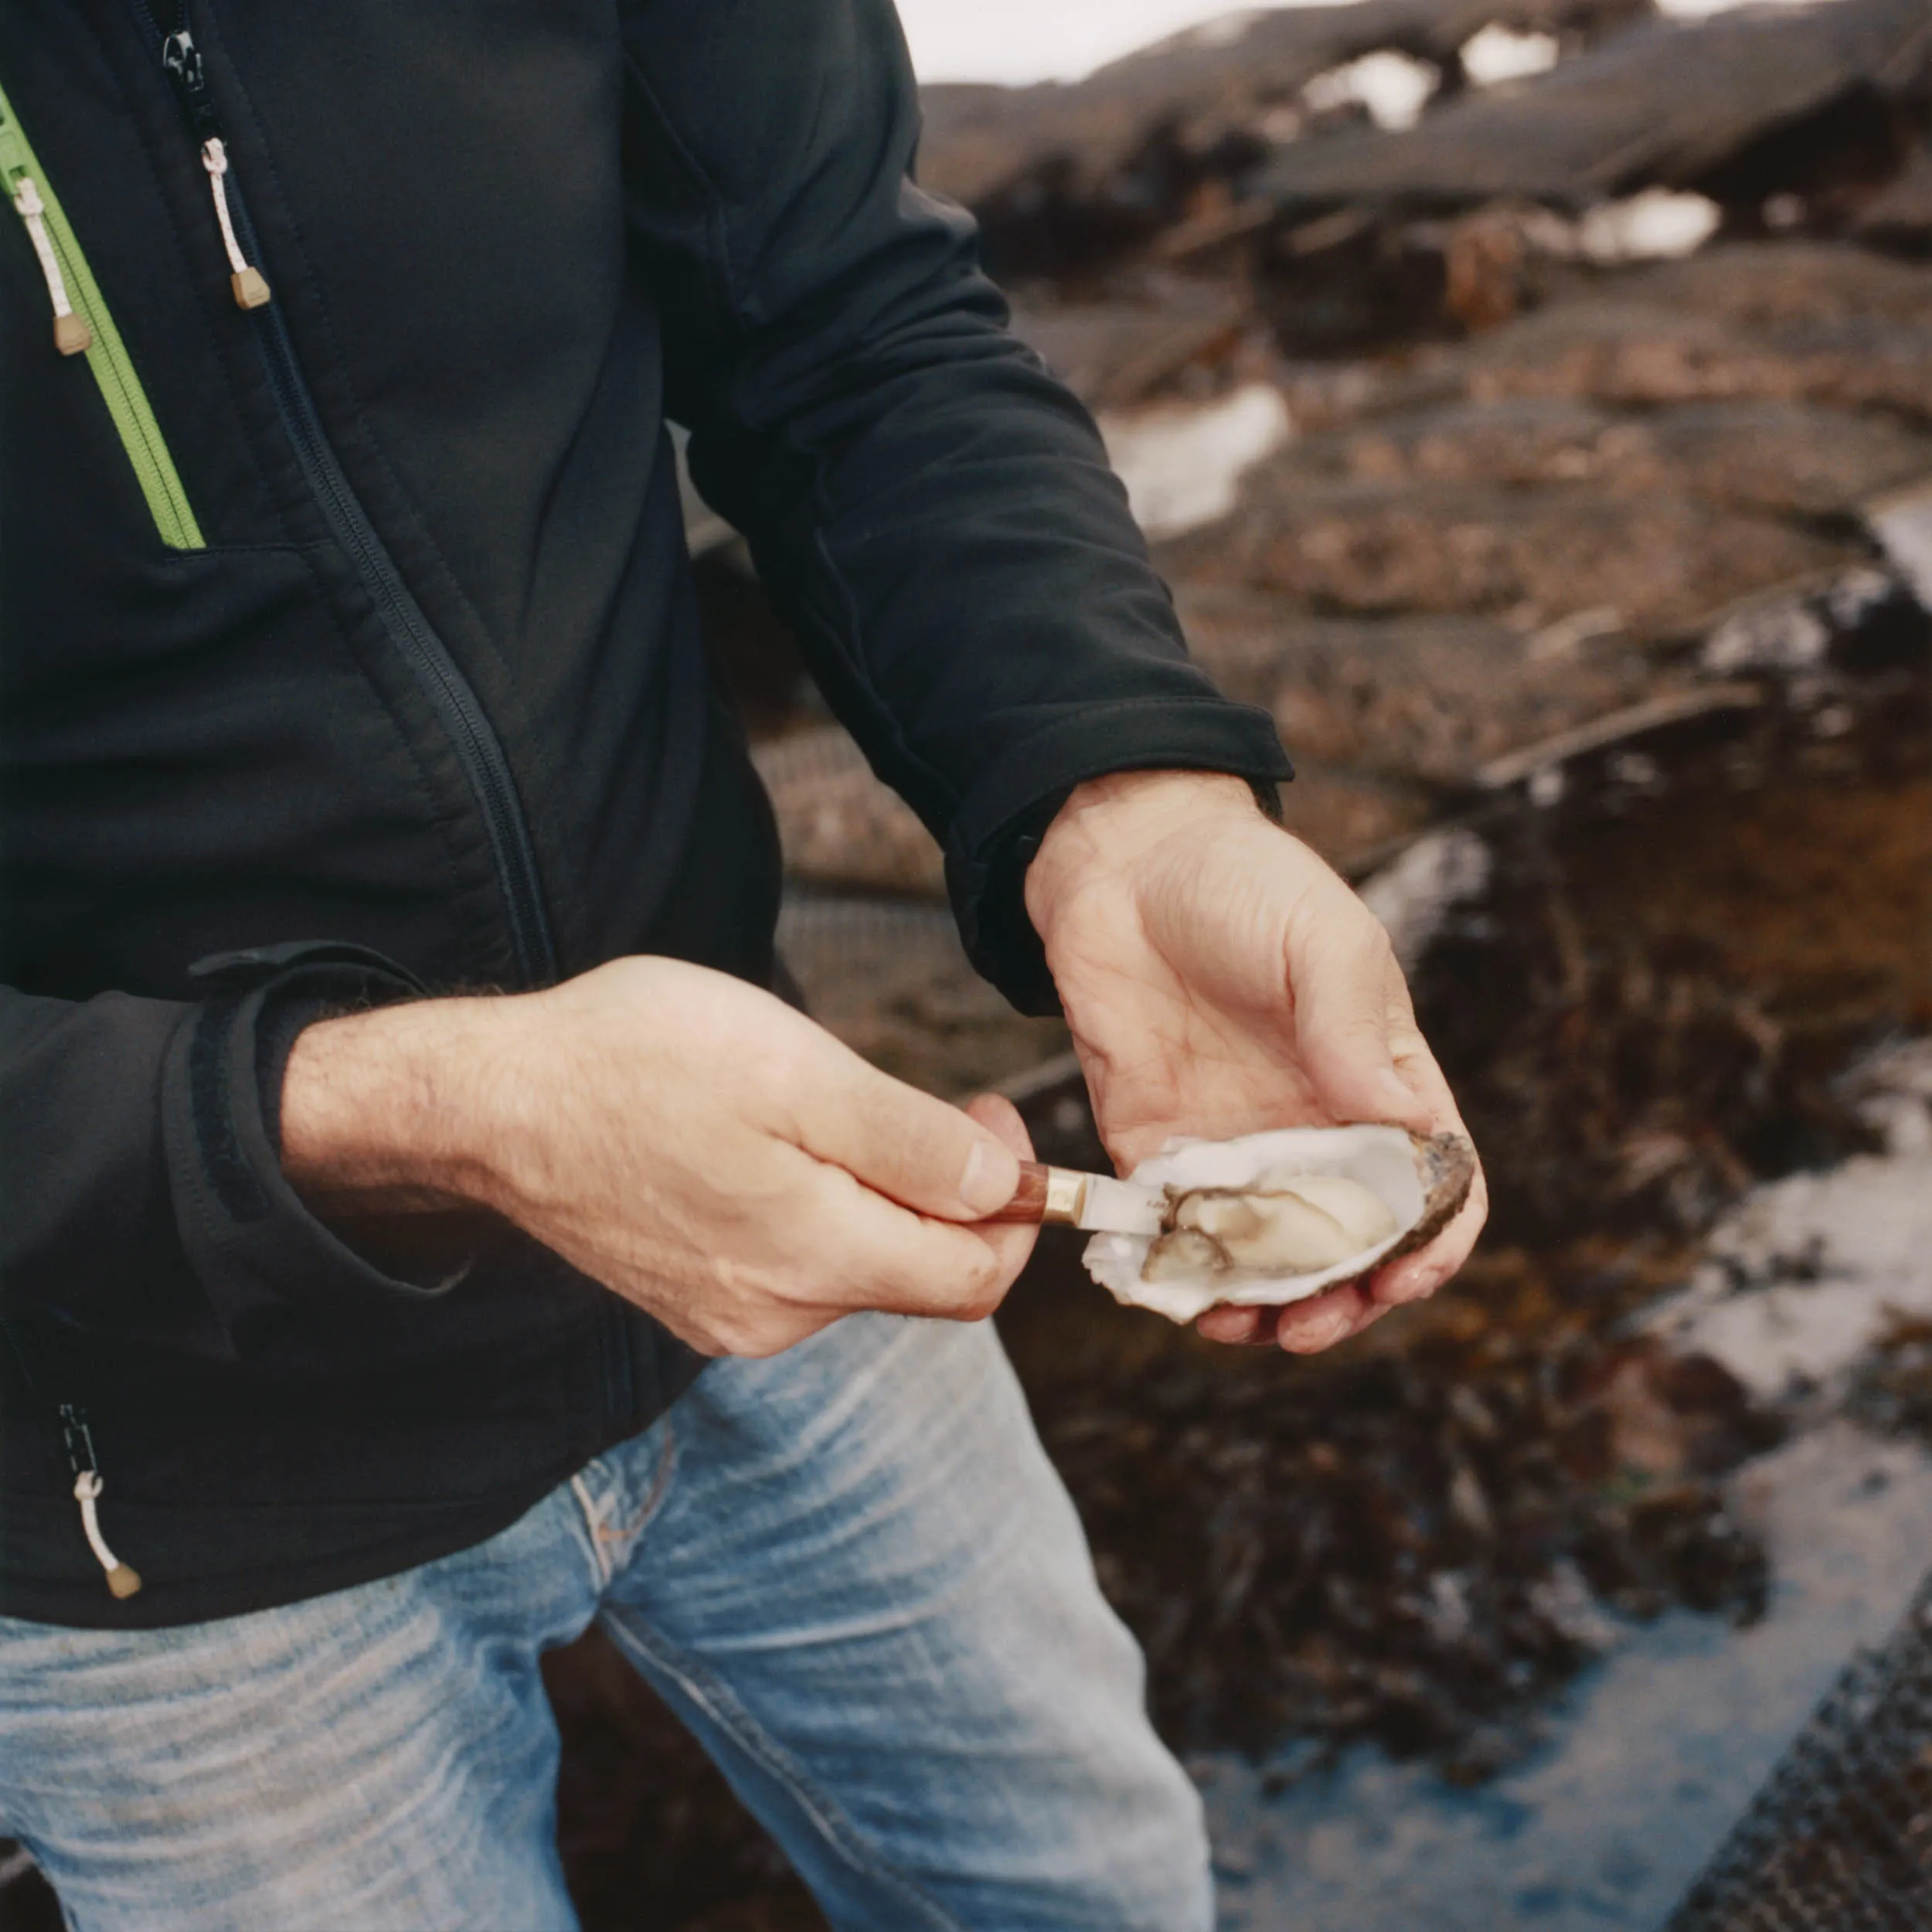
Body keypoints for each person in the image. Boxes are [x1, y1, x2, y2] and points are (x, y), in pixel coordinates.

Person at [0, 2, 1485, 1926]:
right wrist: (422, 1108)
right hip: (149, 1489)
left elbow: (846, 317)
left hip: (798, 1212)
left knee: (1094, 1896)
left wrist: (1122, 799)